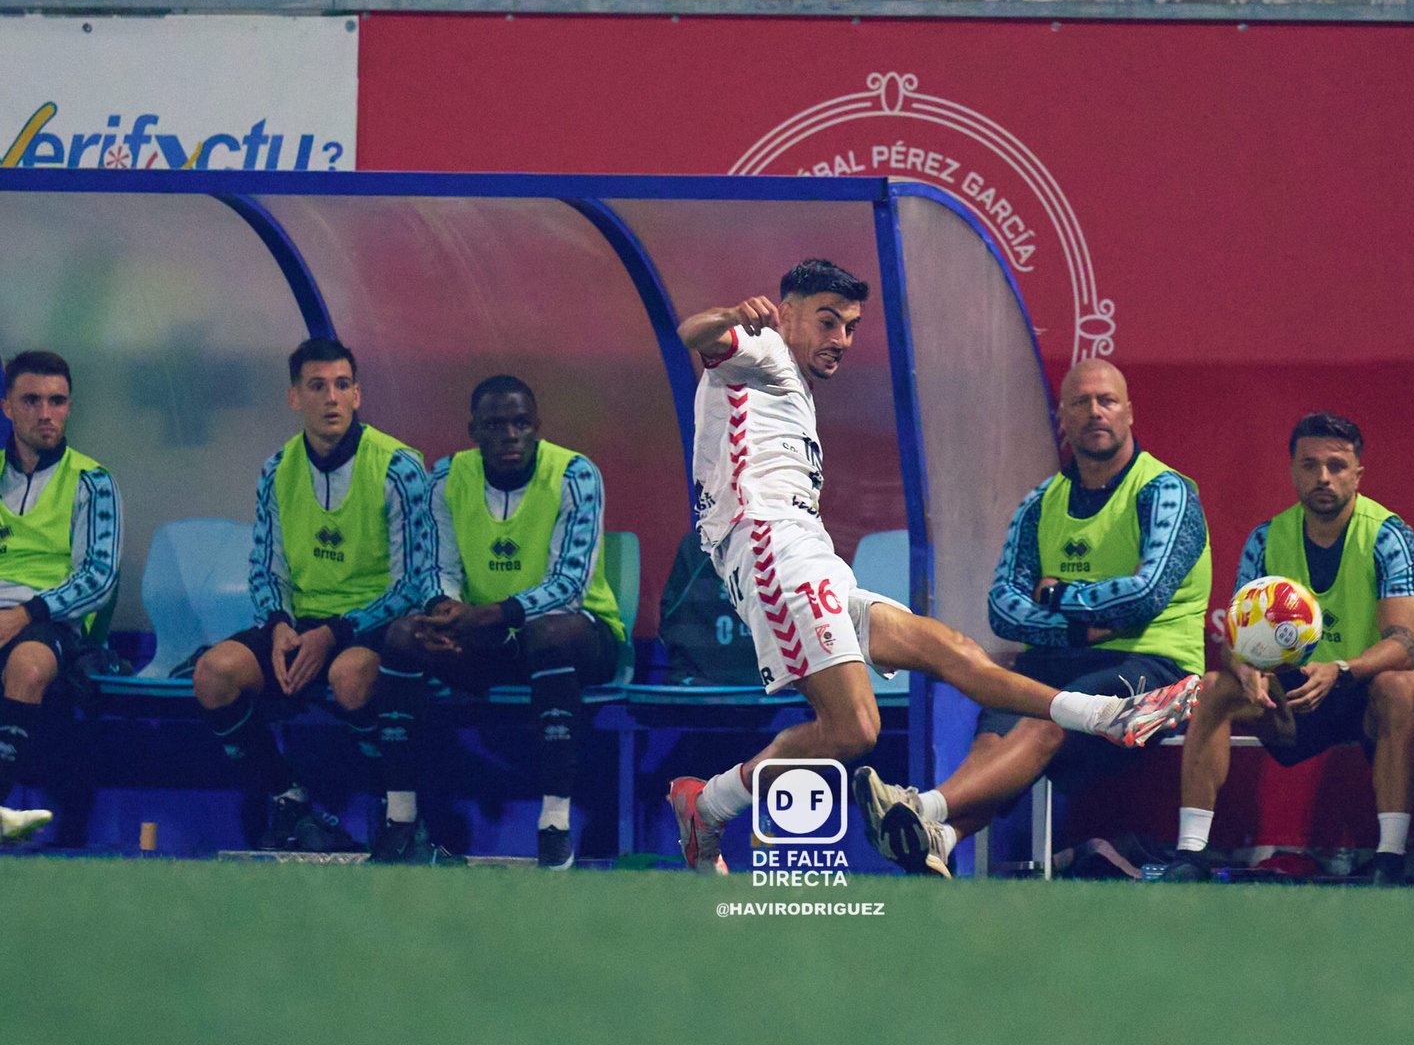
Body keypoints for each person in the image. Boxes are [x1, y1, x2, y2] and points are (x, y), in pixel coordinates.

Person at [666, 260, 1199, 877]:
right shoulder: (760, 348)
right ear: (786, 314)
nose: (842, 339)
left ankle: (1101, 715)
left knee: (953, 650)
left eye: (851, 327)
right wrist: (733, 315)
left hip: (812, 555)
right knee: (853, 730)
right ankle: (708, 805)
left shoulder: (793, 381)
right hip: (770, 550)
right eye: (828, 321)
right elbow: (694, 334)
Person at [854, 358, 1210, 875]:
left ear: (1129, 412)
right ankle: (942, 837)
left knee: (1050, 720)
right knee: (994, 733)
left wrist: (1057, 594)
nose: (1095, 412)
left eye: (1107, 401)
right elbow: (1004, 608)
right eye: (1081, 402)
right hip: (1056, 659)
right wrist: (1081, 625)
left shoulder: (1167, 491)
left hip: (1154, 667)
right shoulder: (1040, 503)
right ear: (1062, 416)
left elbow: (1145, 597)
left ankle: (921, 807)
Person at [1164, 412, 1414, 886]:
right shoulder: (1266, 538)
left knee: (1395, 687)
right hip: (1299, 693)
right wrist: (1244, 668)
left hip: (1372, 690)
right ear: (1293, 470)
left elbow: (1404, 645)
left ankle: (1390, 858)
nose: (1323, 477)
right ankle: (1190, 853)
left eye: (1337, 466)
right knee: (1214, 687)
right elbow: (1236, 639)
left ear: (1358, 474)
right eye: (1310, 465)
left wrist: (1341, 669)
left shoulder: (1388, 535)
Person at [191, 337, 433, 856]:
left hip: (370, 626)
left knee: (349, 677)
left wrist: (335, 632)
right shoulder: (277, 468)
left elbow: (415, 583)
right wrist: (278, 624)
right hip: (302, 626)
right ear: (294, 397)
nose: (332, 398)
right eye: (317, 387)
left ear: (358, 395)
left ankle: (397, 805)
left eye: (342, 386)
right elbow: (265, 568)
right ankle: (289, 797)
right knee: (214, 673)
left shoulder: (399, 468)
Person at [382, 374, 625, 869]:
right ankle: (399, 821)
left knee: (547, 633)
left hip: (577, 635)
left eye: (520, 423)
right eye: (495, 425)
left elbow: (569, 583)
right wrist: (443, 611)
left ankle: (555, 825)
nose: (510, 435)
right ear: (473, 431)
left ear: (537, 426)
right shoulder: (445, 479)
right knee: (403, 637)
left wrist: (487, 615)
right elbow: (437, 569)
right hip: (484, 638)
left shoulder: (575, 475)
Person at [0, 350, 122, 846]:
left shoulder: (93, 481)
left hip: (53, 622)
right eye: (32, 400)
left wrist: (23, 614)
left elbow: (99, 577)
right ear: (7, 407)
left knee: (27, 666)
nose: (46, 413)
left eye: (57, 401)